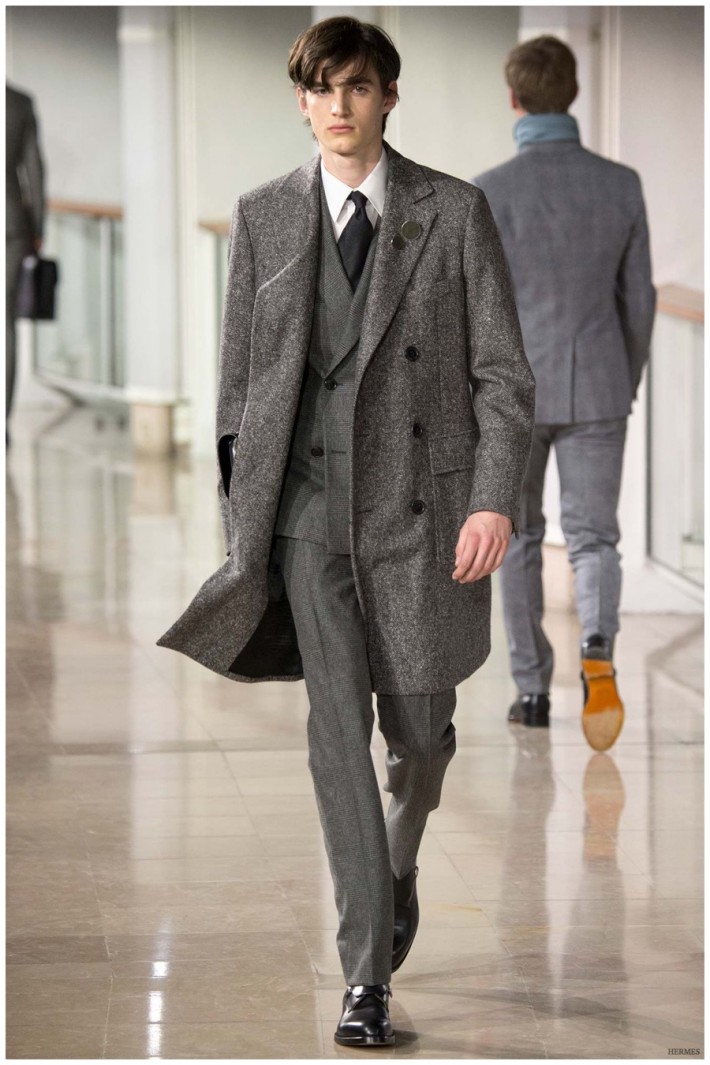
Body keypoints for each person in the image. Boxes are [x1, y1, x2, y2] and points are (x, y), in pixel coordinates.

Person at [159, 16, 534, 1046]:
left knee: (417, 738)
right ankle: (365, 975)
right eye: (321, 89)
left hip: (422, 518)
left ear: (387, 98)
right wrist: (244, 520)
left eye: (357, 87)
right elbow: (239, 384)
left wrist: (492, 497)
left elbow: (503, 375)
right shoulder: (263, 216)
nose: (338, 106)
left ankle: (395, 862)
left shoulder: (452, 212)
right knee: (336, 738)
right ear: (301, 102)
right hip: (306, 520)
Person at [474, 36, 655, 753]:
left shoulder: (489, 190)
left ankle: (531, 690)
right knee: (594, 536)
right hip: (599, 383)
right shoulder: (622, 185)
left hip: (511, 394)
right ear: (572, 95)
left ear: (513, 99)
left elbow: (475, 309)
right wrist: (623, 377)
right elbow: (638, 300)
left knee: (517, 534)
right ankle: (598, 645)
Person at [6, 83, 45, 440]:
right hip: (12, 228)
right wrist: (38, 230)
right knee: (5, 326)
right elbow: (34, 170)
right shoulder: (18, 102)